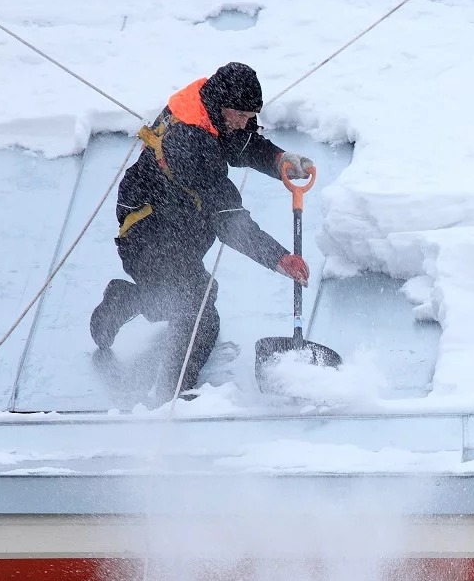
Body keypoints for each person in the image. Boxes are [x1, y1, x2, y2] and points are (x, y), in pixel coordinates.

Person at [89, 62, 315, 401]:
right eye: (242, 115)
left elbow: (240, 142)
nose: (246, 122)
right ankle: (175, 394)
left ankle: (130, 299)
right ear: (224, 106)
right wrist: (279, 258)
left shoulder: (211, 106)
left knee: (193, 296)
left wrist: (279, 160)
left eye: (251, 116)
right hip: (146, 231)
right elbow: (228, 220)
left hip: (177, 219)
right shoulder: (190, 141)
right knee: (200, 316)